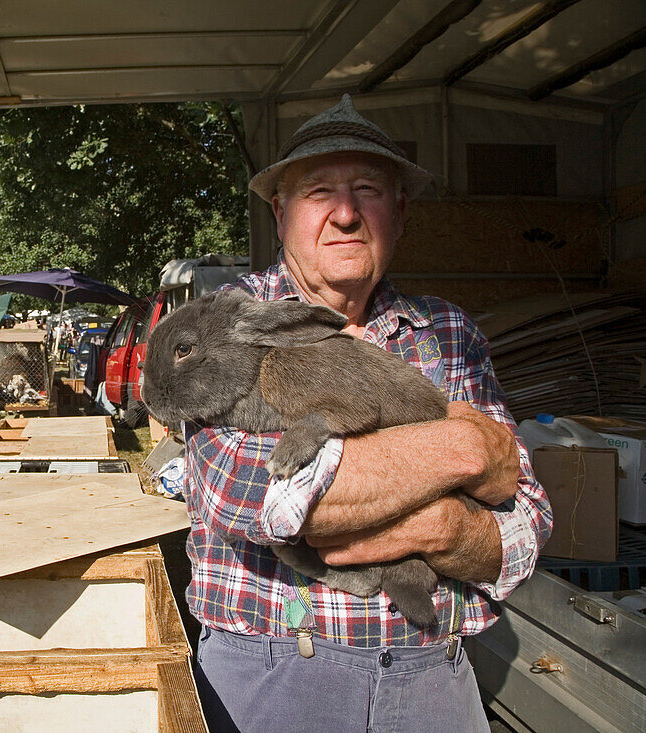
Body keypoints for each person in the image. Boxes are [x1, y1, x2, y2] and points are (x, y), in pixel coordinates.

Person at [184, 95, 552, 733]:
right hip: (273, 677)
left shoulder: (448, 331)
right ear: (280, 213)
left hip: (432, 676)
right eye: (320, 191)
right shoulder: (229, 320)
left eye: (369, 191)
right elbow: (242, 493)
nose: (346, 213)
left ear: (400, 214)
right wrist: (460, 466)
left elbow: (523, 529)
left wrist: (453, 532)